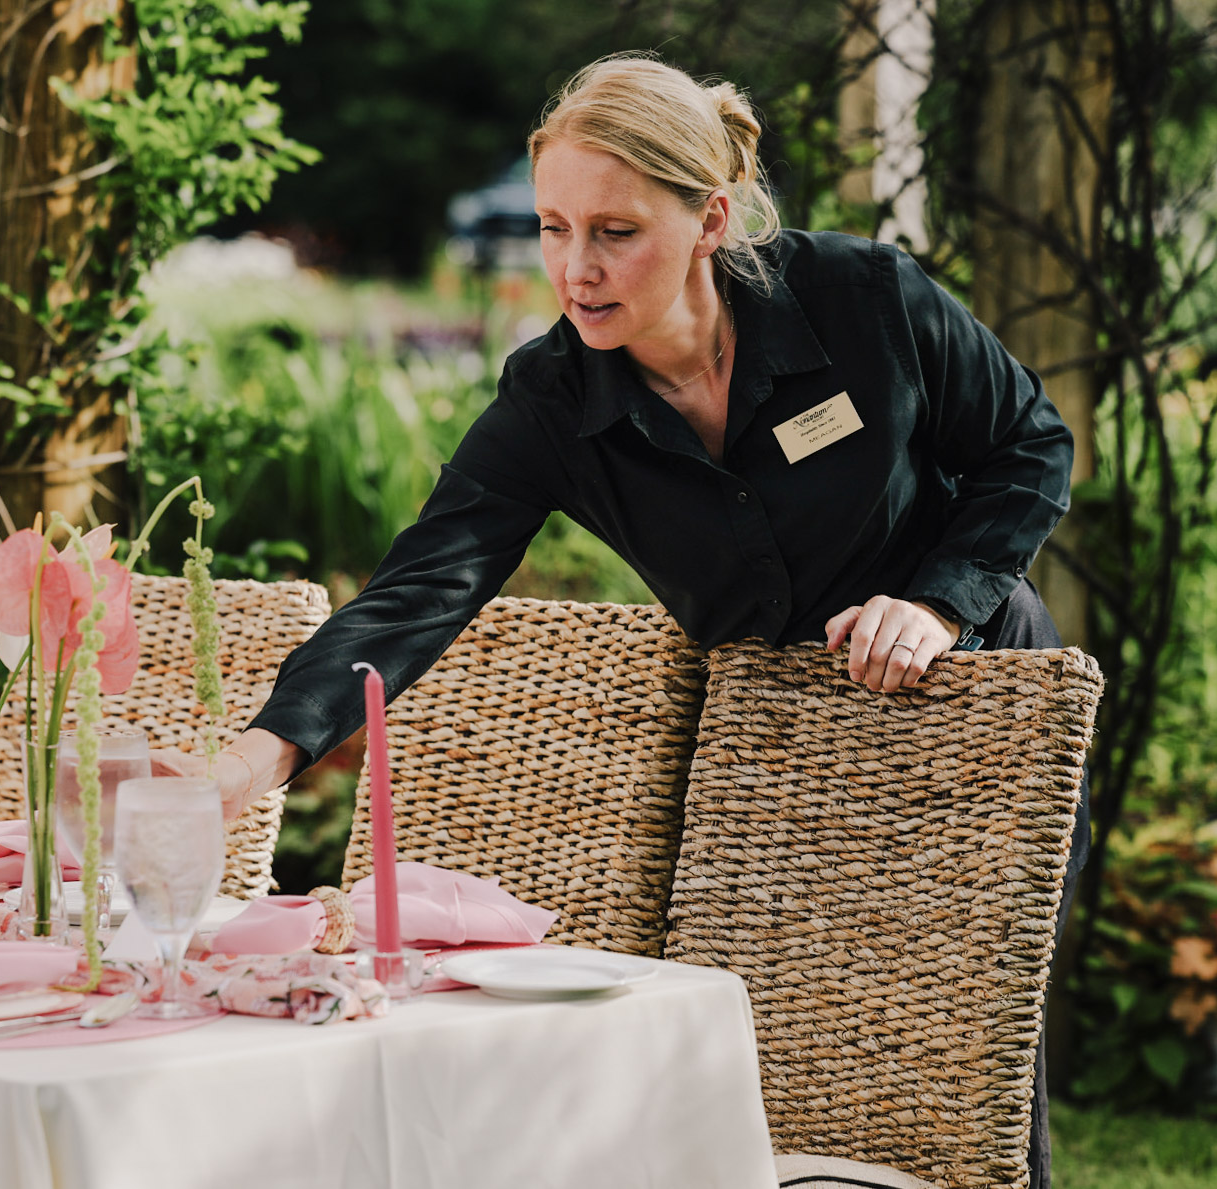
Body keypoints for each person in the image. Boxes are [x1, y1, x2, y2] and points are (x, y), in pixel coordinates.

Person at [166, 53, 1081, 1188]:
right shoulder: (551, 399)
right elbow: (425, 582)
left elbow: (1029, 447)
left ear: (708, 217)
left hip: (976, 710)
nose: (574, 269)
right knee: (776, 1078)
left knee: (960, 1073)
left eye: (613, 232)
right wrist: (259, 753)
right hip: (783, 752)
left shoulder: (865, 301)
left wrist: (939, 601)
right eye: (553, 228)